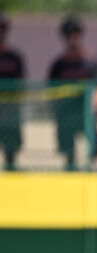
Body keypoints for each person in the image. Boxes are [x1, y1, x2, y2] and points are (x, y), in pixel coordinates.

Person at [47, 15, 97, 170]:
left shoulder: (90, 61)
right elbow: (52, 90)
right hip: (66, 114)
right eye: (68, 34)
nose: (72, 37)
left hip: (86, 114)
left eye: (75, 33)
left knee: (96, 150)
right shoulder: (59, 64)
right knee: (68, 152)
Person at [0, 13, 25, 171]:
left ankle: (10, 169)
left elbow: (21, 84)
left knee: (11, 148)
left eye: (2, 29)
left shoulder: (14, 58)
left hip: (9, 111)